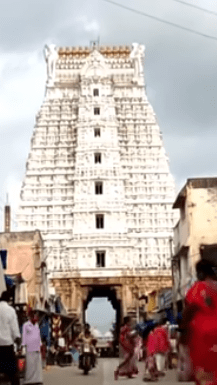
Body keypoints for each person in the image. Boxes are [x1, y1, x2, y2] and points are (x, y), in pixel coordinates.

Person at [178, 259, 217, 385]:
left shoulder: (197, 288)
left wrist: (183, 334)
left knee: (205, 376)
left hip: (203, 339)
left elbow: (190, 310)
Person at [0, 291, 21, 385]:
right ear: (9, 299)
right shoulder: (10, 310)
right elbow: (14, 328)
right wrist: (18, 339)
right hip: (7, 345)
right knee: (12, 372)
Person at [22, 308, 43, 385]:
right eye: (34, 316)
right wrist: (23, 346)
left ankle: (38, 379)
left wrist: (40, 344)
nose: (35, 317)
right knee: (30, 365)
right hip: (29, 348)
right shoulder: (26, 325)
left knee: (37, 365)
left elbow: (38, 335)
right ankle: (29, 380)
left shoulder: (37, 325)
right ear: (31, 317)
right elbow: (24, 336)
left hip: (36, 348)